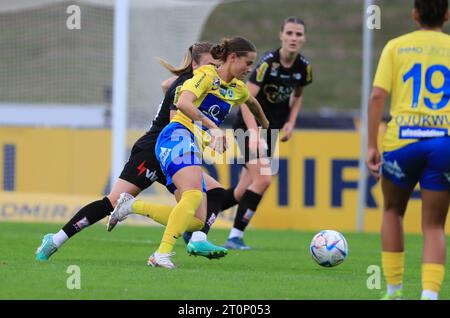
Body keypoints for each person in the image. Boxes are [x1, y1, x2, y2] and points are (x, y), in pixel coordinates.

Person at [35, 42, 231, 261]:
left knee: (209, 199)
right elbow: (175, 124)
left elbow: (166, 85)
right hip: (156, 150)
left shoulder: (194, 83)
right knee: (111, 202)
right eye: (210, 64)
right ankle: (55, 240)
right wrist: (210, 131)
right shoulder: (186, 85)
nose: (214, 69)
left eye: (217, 65)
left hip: (171, 152)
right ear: (195, 64)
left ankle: (195, 237)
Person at [114, 36, 270, 269]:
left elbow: (252, 103)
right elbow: (185, 103)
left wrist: (265, 127)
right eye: (247, 63)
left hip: (192, 143)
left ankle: (130, 207)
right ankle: (161, 254)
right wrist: (214, 128)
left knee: (196, 222)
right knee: (194, 195)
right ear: (233, 58)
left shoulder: (237, 88)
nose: (250, 68)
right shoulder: (207, 75)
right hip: (175, 135)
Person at [367, 0, 450, 300]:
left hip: (401, 141)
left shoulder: (396, 46)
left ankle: (393, 291)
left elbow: (377, 96)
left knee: (392, 211)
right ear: (447, 14)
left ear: (415, 14)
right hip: (443, 142)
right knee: (434, 224)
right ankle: (429, 295)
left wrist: (371, 145)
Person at [222, 17, 313, 250]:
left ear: (304, 38)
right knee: (263, 179)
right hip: (247, 126)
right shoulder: (266, 64)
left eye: (298, 34)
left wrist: (291, 122)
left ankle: (201, 217)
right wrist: (253, 133)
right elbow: (245, 99)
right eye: (290, 33)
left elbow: (299, 95)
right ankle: (234, 237)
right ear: (281, 35)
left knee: (243, 191)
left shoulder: (304, 67)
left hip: (271, 131)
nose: (294, 38)